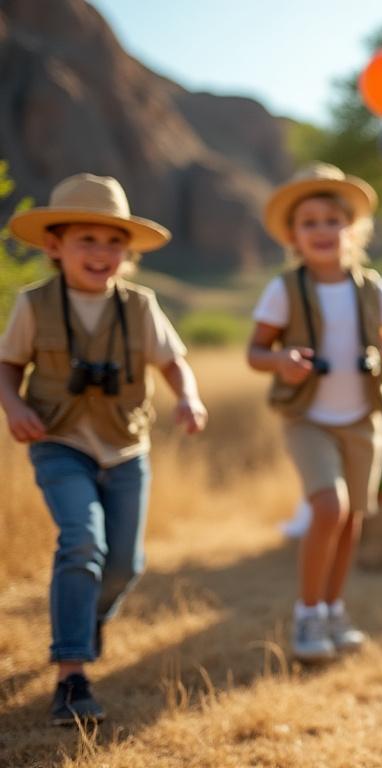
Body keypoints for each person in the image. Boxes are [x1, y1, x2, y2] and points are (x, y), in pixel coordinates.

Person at [0, 173, 208, 725]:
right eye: (86, 239)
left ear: (128, 253)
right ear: (54, 245)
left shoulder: (140, 306)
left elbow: (172, 361)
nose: (102, 252)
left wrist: (187, 397)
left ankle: (83, 619)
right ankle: (71, 677)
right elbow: (7, 365)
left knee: (125, 564)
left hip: (126, 449)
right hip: (58, 442)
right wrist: (14, 406)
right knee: (81, 542)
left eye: (114, 241)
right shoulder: (33, 305)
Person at [246, 164, 382, 663]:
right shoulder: (286, 289)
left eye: (332, 220)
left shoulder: (371, 288)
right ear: (293, 236)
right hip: (308, 419)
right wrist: (282, 360)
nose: (322, 230)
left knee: (352, 521)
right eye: (309, 222)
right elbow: (255, 352)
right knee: (329, 507)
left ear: (353, 230)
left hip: (363, 418)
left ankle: (331, 609)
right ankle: (306, 615)